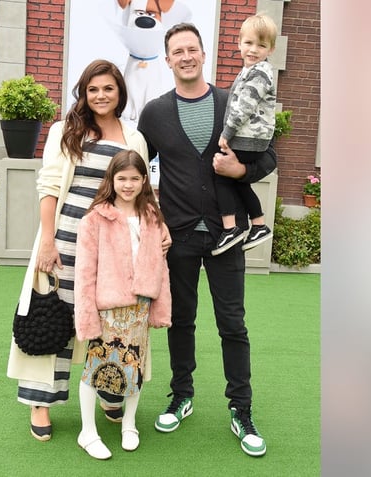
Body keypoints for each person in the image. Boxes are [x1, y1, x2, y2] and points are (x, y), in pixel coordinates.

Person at [137, 22, 277, 457]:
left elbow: (267, 153)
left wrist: (242, 172)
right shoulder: (155, 113)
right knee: (181, 322)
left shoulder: (230, 101)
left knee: (232, 325)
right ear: (167, 59)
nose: (185, 56)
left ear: (203, 54)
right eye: (176, 51)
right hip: (177, 237)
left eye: (191, 49)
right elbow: (137, 171)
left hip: (227, 236)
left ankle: (241, 407)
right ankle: (182, 395)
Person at [6, 59, 164, 442]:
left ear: (120, 93)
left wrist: (158, 226)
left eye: (108, 88)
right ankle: (40, 402)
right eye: (93, 89)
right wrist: (47, 239)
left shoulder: (133, 137)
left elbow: (142, 189)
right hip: (65, 237)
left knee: (114, 319)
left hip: (116, 246)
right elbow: (48, 186)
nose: (100, 96)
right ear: (83, 92)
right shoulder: (66, 130)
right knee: (53, 317)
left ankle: (113, 390)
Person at [73, 149, 171, 459]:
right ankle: (87, 431)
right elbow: (85, 271)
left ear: (145, 180)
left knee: (135, 366)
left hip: (140, 305)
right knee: (94, 368)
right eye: (121, 178)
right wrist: (87, 314)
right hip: (107, 306)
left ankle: (129, 423)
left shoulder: (152, 218)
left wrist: (161, 305)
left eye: (134, 178)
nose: (128, 185)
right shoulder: (95, 218)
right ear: (111, 180)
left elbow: (160, 266)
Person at [212, 13, 278, 256]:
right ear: (239, 43)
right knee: (237, 181)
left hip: (249, 138)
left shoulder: (260, 72)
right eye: (249, 43)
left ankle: (231, 228)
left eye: (261, 45)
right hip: (250, 138)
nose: (253, 49)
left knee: (220, 174)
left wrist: (227, 133)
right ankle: (258, 224)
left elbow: (245, 104)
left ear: (270, 49)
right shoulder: (250, 69)